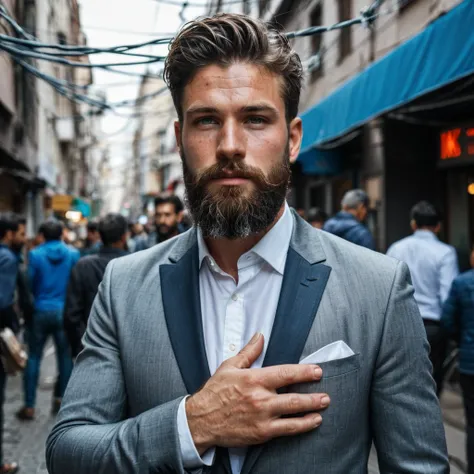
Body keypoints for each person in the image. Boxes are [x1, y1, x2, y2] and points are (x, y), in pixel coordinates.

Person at [46, 14, 448, 474]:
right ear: (179, 139)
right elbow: (68, 451)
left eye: (255, 119)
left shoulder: (378, 288)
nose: (230, 145)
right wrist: (191, 425)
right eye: (206, 121)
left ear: (292, 139)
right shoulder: (123, 286)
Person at [387, 201, 459, 396]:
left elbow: (387, 288)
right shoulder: (445, 252)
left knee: (401, 380)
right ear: (438, 226)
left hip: (400, 322)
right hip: (433, 326)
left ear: (413, 224)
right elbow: (448, 295)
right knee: (432, 383)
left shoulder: (396, 248)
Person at [16, 220, 80, 420]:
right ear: (62, 234)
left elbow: (30, 283)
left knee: (34, 356)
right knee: (65, 358)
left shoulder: (35, 254)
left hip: (40, 311)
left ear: (42, 235)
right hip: (63, 311)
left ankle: (29, 405)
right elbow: (75, 282)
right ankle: (62, 401)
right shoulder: (73, 254)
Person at [64, 213, 129, 358]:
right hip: (127, 350)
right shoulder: (136, 264)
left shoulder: (83, 265)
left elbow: (71, 314)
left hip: (91, 347)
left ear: (99, 236)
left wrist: (81, 347)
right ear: (125, 236)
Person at [441, 247, 474, 474]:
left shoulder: (462, 283)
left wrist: (460, 340)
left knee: (472, 422)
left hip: (470, 362)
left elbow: (448, 321)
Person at [0, 213, 23, 474]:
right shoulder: (6, 258)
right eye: (19, 232)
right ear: (7, 234)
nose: (23, 237)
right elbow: (3, 300)